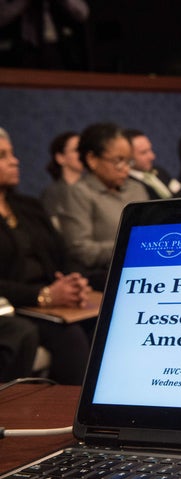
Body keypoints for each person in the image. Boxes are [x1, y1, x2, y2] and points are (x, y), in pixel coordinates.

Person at [0, 127, 91, 384]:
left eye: (13, 154)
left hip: (54, 300)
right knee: (70, 337)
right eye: (3, 156)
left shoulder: (29, 206)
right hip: (15, 305)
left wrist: (75, 281)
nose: (14, 160)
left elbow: (63, 252)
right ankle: (72, 418)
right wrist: (44, 295)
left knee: (102, 322)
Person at [58, 122, 149, 290]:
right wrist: (130, 244)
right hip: (104, 278)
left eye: (129, 161)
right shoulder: (79, 193)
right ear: (92, 159)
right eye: (118, 161)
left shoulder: (137, 189)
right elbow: (81, 250)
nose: (126, 170)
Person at [125, 129, 181, 199]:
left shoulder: (159, 171)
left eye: (150, 149)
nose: (152, 156)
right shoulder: (128, 184)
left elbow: (180, 193)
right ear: (128, 156)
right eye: (144, 152)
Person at [41, 131, 83, 220]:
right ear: (60, 158)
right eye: (76, 150)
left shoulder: (93, 188)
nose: (82, 154)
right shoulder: (52, 193)